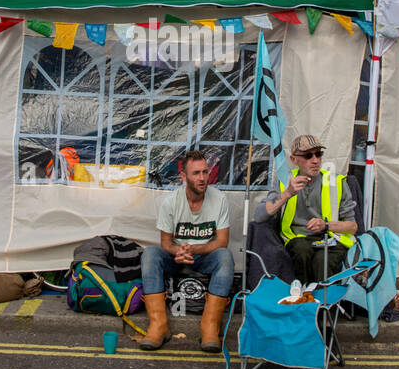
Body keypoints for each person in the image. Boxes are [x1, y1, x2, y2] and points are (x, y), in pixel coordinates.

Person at [139, 150, 233, 352]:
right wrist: (177, 251)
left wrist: (195, 248)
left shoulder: (219, 199)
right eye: (196, 173)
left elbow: (222, 241)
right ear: (184, 177)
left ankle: (209, 328)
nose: (202, 178)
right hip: (177, 257)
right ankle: (158, 326)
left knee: (225, 257)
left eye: (205, 172)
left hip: (204, 257)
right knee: (150, 255)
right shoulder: (171, 202)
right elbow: (165, 242)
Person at [253, 134, 358, 285]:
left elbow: (353, 227)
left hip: (330, 240)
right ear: (294, 160)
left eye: (318, 154)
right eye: (308, 155)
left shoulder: (337, 182)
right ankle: (303, 299)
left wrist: (326, 225)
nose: (315, 160)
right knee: (302, 250)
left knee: (323, 260)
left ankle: (323, 305)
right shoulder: (285, 182)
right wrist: (287, 193)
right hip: (298, 239)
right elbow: (259, 216)